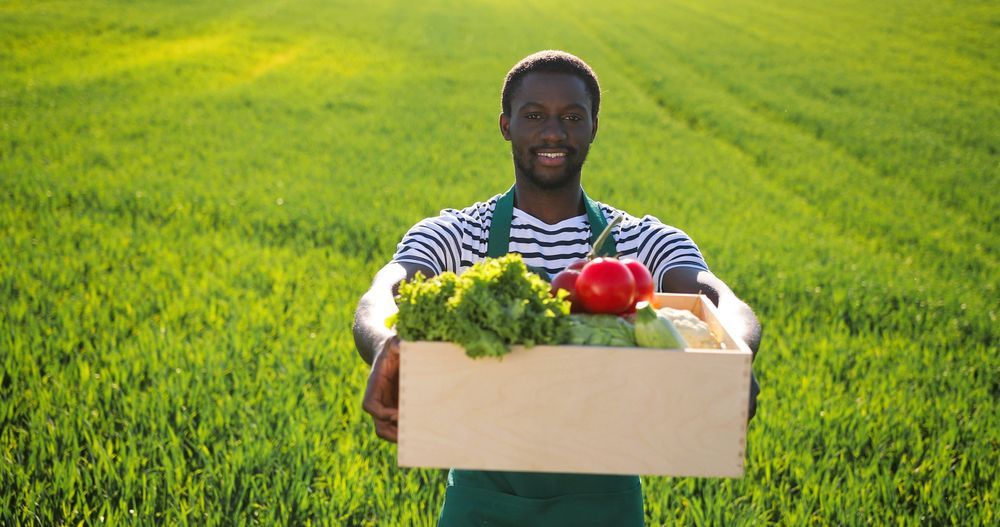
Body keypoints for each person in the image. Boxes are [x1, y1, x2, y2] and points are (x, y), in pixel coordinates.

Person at [353, 50, 761, 527]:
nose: (553, 132)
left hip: (605, 502)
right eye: (533, 116)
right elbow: (383, 291)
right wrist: (384, 342)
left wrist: (734, 357)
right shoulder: (458, 234)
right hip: (481, 500)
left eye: (571, 117)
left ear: (593, 127)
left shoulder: (640, 241)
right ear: (506, 125)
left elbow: (720, 301)